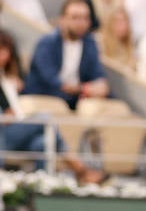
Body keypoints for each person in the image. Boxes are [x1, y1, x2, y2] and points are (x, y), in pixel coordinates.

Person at [0, 28, 102, 183]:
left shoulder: (9, 79)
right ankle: (78, 167)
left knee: (43, 142)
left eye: (6, 50)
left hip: (13, 131)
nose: (4, 55)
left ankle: (43, 184)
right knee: (45, 118)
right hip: (3, 134)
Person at [24, 0, 110, 109]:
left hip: (77, 97)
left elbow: (97, 74)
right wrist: (84, 89)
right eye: (75, 18)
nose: (81, 23)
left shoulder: (90, 43)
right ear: (62, 20)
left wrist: (100, 86)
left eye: (85, 18)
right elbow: (52, 80)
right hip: (48, 95)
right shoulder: (47, 43)